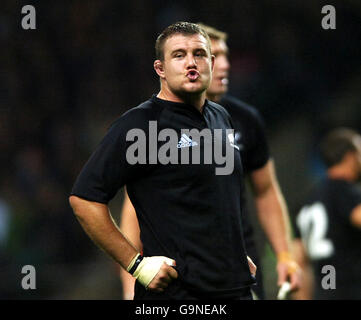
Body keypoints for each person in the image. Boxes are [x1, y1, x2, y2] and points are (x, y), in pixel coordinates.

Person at [69, 21, 298, 300]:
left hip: (234, 288)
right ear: (160, 69)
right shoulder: (139, 125)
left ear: (211, 63)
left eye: (199, 54)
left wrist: (233, 255)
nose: (191, 62)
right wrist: (134, 265)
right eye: (179, 55)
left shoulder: (221, 118)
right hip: (177, 295)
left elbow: (218, 199)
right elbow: (84, 200)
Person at [292, 127, 361, 299]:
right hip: (350, 286)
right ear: (350, 157)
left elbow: (298, 261)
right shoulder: (344, 190)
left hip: (325, 288)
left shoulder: (308, 202)